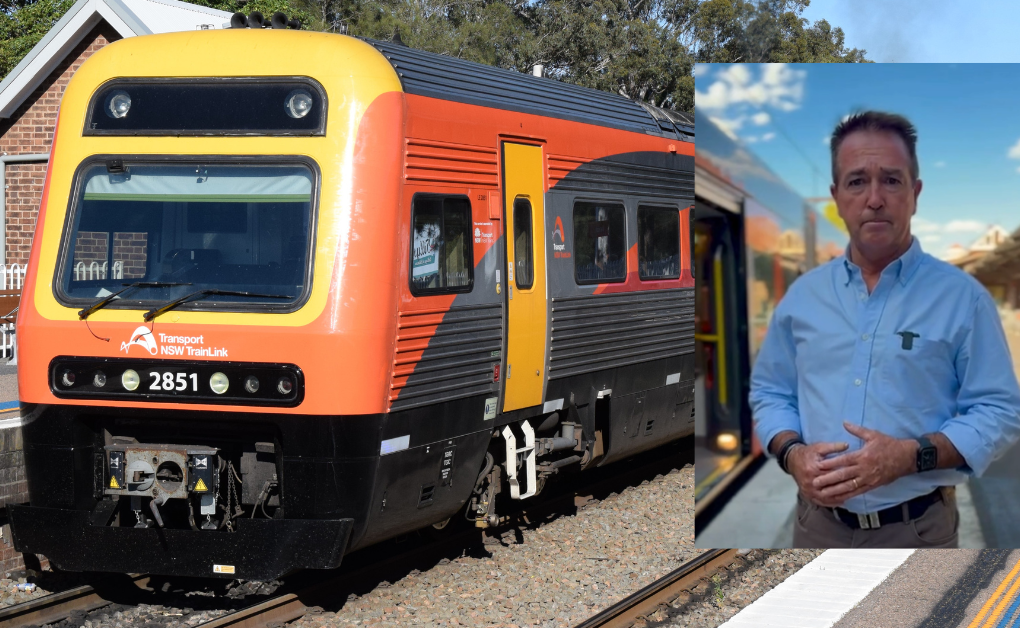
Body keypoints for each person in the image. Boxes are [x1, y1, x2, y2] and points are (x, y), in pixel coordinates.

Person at [749, 110, 1020, 548]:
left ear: (915, 193)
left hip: (918, 531)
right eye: (857, 181)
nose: (874, 198)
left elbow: (1001, 409)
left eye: (891, 180)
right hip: (815, 527)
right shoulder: (802, 298)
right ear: (837, 197)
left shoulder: (963, 299)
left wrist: (912, 456)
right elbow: (770, 392)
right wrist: (791, 453)